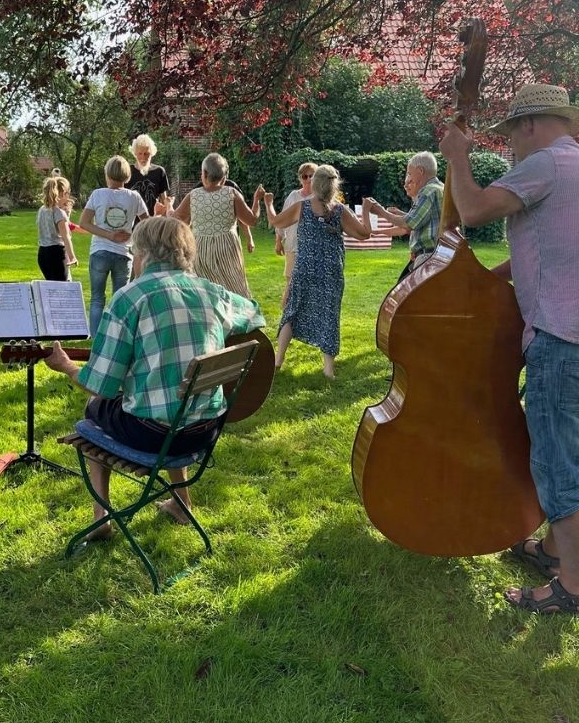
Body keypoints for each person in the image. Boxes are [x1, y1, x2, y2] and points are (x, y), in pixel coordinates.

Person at [437, 83, 579, 621]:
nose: (511, 146)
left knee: (557, 468)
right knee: (561, 459)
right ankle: (555, 552)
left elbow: (470, 210)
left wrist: (457, 156)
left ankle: (574, 591)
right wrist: (481, 286)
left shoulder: (548, 164)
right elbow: (549, 250)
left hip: (561, 342)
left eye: (512, 134)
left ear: (532, 125)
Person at [43, 216, 265, 535]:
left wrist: (65, 366)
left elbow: (99, 385)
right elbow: (255, 313)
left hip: (155, 435)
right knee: (174, 400)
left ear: (143, 255)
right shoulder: (213, 292)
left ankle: (101, 518)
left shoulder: (129, 299)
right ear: (186, 253)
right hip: (207, 429)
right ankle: (181, 502)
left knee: (94, 408)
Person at [265, 165, 374, 378]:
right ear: (334, 186)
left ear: (315, 184)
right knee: (329, 314)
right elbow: (364, 234)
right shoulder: (340, 211)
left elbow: (275, 221)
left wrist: (269, 204)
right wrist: (367, 211)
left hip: (304, 268)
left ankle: (278, 360)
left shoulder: (302, 207)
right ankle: (328, 370)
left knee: (292, 310)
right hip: (330, 270)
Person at [160, 152, 263, 299]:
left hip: (200, 249)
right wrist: (256, 199)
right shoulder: (231, 193)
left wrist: (169, 205)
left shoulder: (193, 195)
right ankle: (237, 317)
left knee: (204, 293)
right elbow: (252, 220)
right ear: (224, 176)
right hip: (227, 249)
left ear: (204, 173)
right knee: (234, 290)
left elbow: (175, 218)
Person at [80, 155, 149, 335]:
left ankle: (95, 337)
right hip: (124, 253)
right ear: (127, 176)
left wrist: (108, 234)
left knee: (96, 299)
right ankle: (117, 336)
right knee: (120, 300)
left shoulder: (98, 194)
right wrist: (131, 234)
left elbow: (84, 223)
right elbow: (147, 224)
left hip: (99, 251)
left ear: (107, 174)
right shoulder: (134, 197)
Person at [368, 151, 444, 281]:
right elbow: (424, 219)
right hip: (437, 256)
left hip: (427, 256)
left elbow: (410, 223)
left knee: (414, 299)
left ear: (420, 171)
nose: (408, 178)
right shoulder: (440, 188)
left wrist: (381, 212)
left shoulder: (427, 191)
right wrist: (402, 214)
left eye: (409, 173)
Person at [275, 163, 316, 307]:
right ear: (300, 178)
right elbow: (282, 219)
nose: (308, 179)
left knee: (309, 283)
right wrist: (278, 240)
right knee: (291, 281)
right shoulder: (293, 196)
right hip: (293, 245)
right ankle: (287, 313)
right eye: (305, 176)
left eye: (312, 176)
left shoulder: (319, 198)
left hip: (312, 247)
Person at [36, 174, 78, 281]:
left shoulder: (42, 209)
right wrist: (72, 257)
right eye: (68, 193)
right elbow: (66, 236)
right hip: (56, 253)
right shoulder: (58, 212)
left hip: (42, 253)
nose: (68, 196)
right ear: (62, 193)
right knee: (62, 290)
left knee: (50, 288)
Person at [126, 133, 171, 216]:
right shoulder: (127, 171)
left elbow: (163, 199)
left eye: (146, 153)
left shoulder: (159, 171)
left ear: (152, 153)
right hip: (132, 222)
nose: (143, 157)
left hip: (154, 221)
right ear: (135, 154)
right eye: (140, 153)